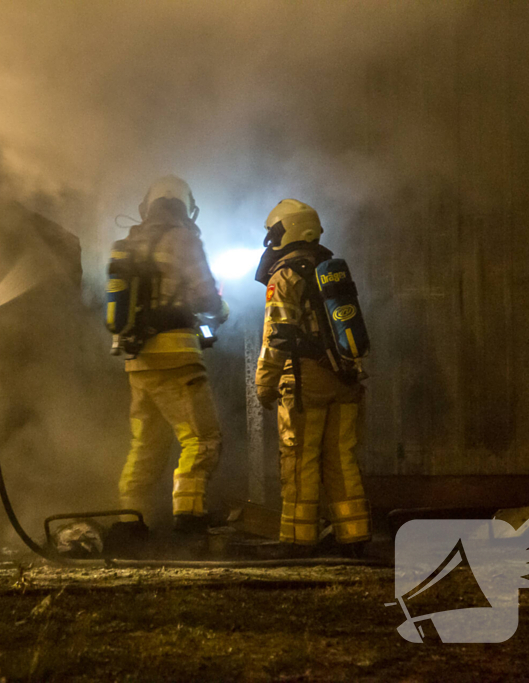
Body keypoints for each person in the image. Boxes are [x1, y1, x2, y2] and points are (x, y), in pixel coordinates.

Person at [254, 199, 371, 554]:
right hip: (346, 378)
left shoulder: (285, 275)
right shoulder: (330, 269)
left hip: (305, 382)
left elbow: (276, 336)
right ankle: (354, 535)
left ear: (285, 230)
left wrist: (265, 382)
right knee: (342, 460)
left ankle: (297, 539)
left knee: (300, 460)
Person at [115, 175, 228, 534]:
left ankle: (129, 522)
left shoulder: (129, 243)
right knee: (202, 438)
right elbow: (207, 299)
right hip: (177, 358)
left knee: (145, 445)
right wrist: (220, 307)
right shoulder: (183, 239)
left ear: (146, 208)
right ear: (187, 208)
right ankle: (189, 519)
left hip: (138, 362)